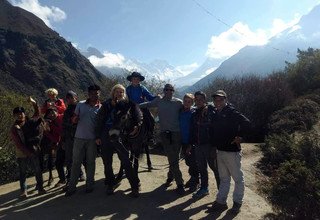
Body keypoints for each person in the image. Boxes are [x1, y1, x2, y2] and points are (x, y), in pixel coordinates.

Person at [95, 84, 141, 198]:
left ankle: (134, 185)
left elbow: (138, 116)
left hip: (121, 136)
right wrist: (97, 136)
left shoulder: (129, 104)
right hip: (106, 134)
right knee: (107, 161)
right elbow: (99, 120)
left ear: (124, 93)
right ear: (113, 93)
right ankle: (110, 184)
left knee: (126, 161)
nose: (119, 94)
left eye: (121, 92)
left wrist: (137, 125)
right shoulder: (106, 105)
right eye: (117, 92)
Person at [209, 90, 251, 214]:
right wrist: (213, 147)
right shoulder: (216, 113)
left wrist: (241, 137)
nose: (218, 102)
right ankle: (221, 202)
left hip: (232, 152)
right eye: (216, 100)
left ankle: (237, 203)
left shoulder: (232, 112)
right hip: (220, 151)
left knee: (238, 179)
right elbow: (213, 132)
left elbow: (247, 124)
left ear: (225, 100)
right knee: (224, 179)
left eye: (220, 99)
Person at [140, 83, 185, 195]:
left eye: (171, 90)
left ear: (173, 91)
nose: (169, 91)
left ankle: (170, 177)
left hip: (177, 134)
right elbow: (146, 105)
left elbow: (189, 107)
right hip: (165, 134)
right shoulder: (158, 101)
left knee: (174, 158)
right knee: (173, 158)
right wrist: (132, 105)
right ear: (164, 90)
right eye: (167, 89)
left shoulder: (178, 102)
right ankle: (180, 183)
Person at [65, 84, 102, 196]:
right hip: (78, 138)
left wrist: (99, 137)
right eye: (92, 93)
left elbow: (100, 124)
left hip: (92, 140)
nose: (94, 95)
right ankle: (72, 187)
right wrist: (74, 119)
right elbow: (73, 119)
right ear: (88, 94)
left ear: (99, 93)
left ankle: (89, 184)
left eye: (96, 93)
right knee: (76, 162)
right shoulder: (80, 104)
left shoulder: (101, 107)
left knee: (91, 162)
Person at [10, 97, 46, 198]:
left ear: (24, 114)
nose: (19, 115)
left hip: (33, 149)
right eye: (17, 114)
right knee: (23, 172)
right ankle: (23, 191)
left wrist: (34, 103)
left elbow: (37, 113)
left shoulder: (30, 121)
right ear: (14, 116)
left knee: (37, 170)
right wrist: (28, 152)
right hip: (22, 152)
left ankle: (40, 188)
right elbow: (18, 143)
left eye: (21, 113)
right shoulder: (14, 128)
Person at [190, 91, 220, 199]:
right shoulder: (194, 113)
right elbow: (193, 131)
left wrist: (214, 146)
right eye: (196, 99)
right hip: (198, 145)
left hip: (209, 145)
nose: (198, 101)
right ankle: (204, 188)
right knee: (202, 168)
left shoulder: (211, 111)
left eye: (200, 99)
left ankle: (221, 192)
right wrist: (190, 144)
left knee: (215, 168)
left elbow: (215, 129)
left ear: (205, 100)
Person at [126, 71, 157, 146]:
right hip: (131, 108)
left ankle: (150, 136)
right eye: (134, 78)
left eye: (137, 79)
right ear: (131, 80)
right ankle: (122, 134)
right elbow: (126, 98)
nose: (136, 80)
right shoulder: (128, 89)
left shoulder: (143, 88)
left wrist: (156, 97)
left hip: (142, 107)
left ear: (139, 80)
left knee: (151, 119)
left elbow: (149, 97)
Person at [61, 90, 85, 186]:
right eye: (68, 98)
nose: (70, 100)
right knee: (70, 158)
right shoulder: (67, 111)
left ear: (76, 97)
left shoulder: (81, 108)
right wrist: (63, 140)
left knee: (83, 157)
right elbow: (64, 125)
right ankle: (70, 178)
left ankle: (83, 175)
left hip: (81, 135)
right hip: (70, 137)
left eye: (71, 97)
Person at [179, 93, 199, 192]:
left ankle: (195, 182)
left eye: (189, 102)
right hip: (183, 141)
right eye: (185, 101)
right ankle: (193, 179)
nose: (187, 103)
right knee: (188, 161)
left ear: (192, 103)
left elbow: (195, 130)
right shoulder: (181, 111)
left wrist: (191, 144)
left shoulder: (193, 113)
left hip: (191, 141)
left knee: (193, 162)